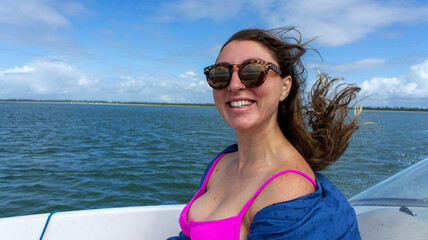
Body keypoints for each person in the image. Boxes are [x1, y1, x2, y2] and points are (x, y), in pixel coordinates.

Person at [168, 27, 361, 239]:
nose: (234, 85)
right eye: (220, 74)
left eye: (252, 72)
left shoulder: (287, 188)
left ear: (285, 87)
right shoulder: (221, 163)